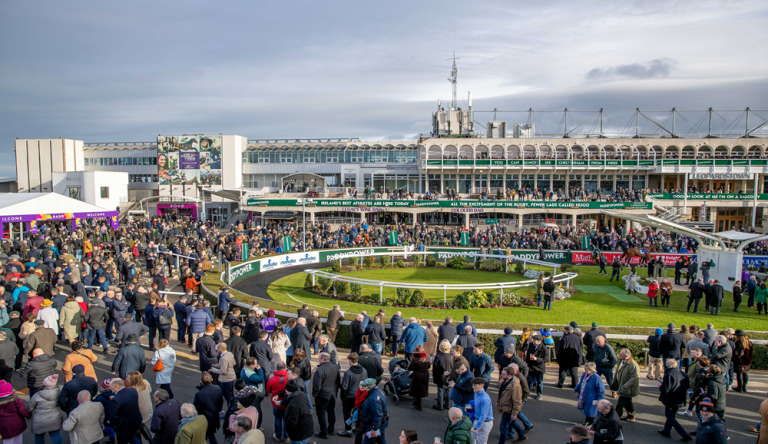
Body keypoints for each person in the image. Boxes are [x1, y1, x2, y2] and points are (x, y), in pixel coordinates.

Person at [658, 359, 692, 441]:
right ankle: (666, 430)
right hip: (680, 398)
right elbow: (687, 386)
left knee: (669, 416)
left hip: (670, 399)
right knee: (672, 415)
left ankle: (684, 434)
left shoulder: (668, 374)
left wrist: (660, 385)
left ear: (667, 365)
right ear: (676, 364)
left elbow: (665, 389)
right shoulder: (683, 374)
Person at [28, 374, 65, 444]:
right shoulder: (59, 392)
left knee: (39, 437)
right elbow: (62, 403)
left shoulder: (37, 395)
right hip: (54, 419)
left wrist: (28, 414)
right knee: (56, 435)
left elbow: (30, 408)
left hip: (39, 421)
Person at [313, 351, 340, 438]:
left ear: (322, 359)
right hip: (332, 394)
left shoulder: (320, 370)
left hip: (323, 395)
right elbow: (338, 381)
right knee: (331, 411)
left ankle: (323, 432)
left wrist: (315, 394)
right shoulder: (335, 368)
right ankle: (331, 429)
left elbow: (317, 385)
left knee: (321, 413)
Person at [340, 352, 367, 435]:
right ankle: (357, 428)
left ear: (350, 361)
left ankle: (348, 429)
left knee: (347, 414)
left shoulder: (348, 373)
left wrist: (343, 398)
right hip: (361, 396)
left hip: (349, 397)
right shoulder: (364, 371)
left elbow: (344, 387)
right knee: (359, 413)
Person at [108, 378, 143, 444]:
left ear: (116, 386)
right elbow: (126, 401)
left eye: (110, 386)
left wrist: (114, 425)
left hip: (124, 426)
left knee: (122, 441)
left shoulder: (115, 400)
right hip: (136, 422)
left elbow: (113, 416)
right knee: (132, 437)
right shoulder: (133, 391)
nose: (109, 388)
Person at [194, 371, 224, 444]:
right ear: (211, 380)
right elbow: (221, 402)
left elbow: (196, 408)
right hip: (214, 417)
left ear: (201, 381)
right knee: (210, 434)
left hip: (204, 418)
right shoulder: (217, 388)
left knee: (206, 436)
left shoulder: (199, 394)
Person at [497, 366, 524, 443]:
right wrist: (498, 402)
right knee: (511, 422)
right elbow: (500, 393)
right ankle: (521, 434)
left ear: (509, 376)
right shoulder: (503, 381)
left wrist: (514, 413)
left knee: (503, 427)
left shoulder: (515, 386)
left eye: (503, 374)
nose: (501, 375)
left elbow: (517, 401)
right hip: (505, 408)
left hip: (509, 409)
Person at [611, 349, 639, 422]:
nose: (619, 355)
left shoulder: (633, 364)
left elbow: (635, 377)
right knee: (627, 401)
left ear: (626, 355)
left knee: (621, 403)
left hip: (627, 389)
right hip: (622, 386)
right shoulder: (622, 361)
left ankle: (615, 418)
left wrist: (625, 386)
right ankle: (631, 415)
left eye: (620, 354)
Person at [0, 379, 32, 443]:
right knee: (18, 440)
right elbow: (22, 410)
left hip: (4, 427)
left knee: (7, 441)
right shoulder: (15, 399)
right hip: (17, 424)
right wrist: (29, 415)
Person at [284, 379, 315, 444]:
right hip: (307, 427)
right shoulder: (303, 395)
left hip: (299, 434)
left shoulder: (293, 405)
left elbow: (292, 423)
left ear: (289, 391)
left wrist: (288, 430)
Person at [465, 377, 493, 444]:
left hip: (484, 423)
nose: (472, 387)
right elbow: (477, 404)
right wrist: (471, 407)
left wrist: (476, 427)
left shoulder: (484, 399)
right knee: (471, 440)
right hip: (477, 420)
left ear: (482, 386)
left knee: (481, 443)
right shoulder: (476, 393)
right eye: (473, 385)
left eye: (475, 385)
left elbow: (484, 415)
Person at [360, 377, 388, 444]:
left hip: (373, 425)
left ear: (367, 387)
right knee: (381, 439)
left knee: (366, 442)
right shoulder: (380, 391)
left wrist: (374, 429)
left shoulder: (373, 399)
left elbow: (378, 415)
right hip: (381, 423)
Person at [267, 362, 289, 442]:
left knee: (277, 419)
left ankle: (278, 435)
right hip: (287, 403)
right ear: (285, 368)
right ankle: (286, 436)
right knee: (286, 419)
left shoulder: (271, 379)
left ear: (276, 369)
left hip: (276, 404)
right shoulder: (289, 378)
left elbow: (268, 391)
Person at [524, 334, 549, 400]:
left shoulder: (544, 349)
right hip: (531, 367)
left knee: (539, 382)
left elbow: (546, 359)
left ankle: (539, 394)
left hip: (539, 368)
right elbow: (528, 355)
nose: (533, 341)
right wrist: (527, 362)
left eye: (535, 340)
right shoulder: (531, 345)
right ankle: (526, 395)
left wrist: (537, 359)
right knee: (528, 381)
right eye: (533, 339)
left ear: (539, 341)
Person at [407, 345, 431, 410]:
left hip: (417, 375)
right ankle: (418, 402)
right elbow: (429, 366)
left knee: (416, 389)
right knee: (422, 389)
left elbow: (409, 368)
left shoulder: (415, 359)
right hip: (425, 374)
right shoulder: (427, 357)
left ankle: (418, 403)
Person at [433, 340, 453, 411]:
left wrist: (434, 377)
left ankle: (439, 405)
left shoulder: (438, 356)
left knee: (440, 390)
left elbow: (435, 368)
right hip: (449, 375)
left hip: (440, 375)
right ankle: (448, 405)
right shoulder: (451, 356)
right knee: (448, 390)